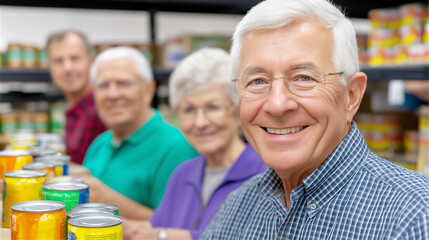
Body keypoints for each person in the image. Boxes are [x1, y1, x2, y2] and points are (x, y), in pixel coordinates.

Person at [201, 0, 429, 239]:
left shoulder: (413, 216)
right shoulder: (235, 210)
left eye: (303, 78)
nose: (277, 104)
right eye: (257, 81)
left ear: (351, 96)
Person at [124, 48, 267, 240]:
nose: (200, 122)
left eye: (213, 107)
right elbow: (153, 230)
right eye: (189, 109)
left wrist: (164, 236)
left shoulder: (265, 174)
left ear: (237, 110)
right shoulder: (182, 174)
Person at [83, 46, 198, 220]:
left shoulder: (177, 148)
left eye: (124, 83)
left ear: (149, 90)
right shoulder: (99, 144)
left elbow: (178, 229)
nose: (112, 94)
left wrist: (106, 201)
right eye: (103, 85)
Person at [46, 30, 106, 165]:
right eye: (58, 61)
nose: (67, 68)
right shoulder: (74, 111)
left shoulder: (102, 110)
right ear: (49, 66)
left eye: (75, 58)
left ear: (92, 61)